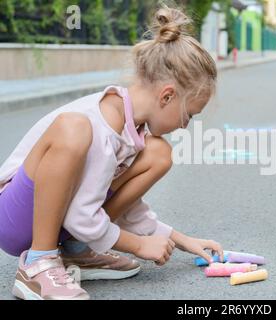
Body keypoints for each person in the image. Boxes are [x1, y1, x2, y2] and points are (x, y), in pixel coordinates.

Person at [0, 5, 223, 300]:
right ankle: (38, 263)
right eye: (189, 115)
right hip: (15, 217)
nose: (184, 126)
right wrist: (139, 245)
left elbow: (130, 211)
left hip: (60, 220)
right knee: (74, 128)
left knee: (159, 153)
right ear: (167, 96)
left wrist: (182, 240)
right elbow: (82, 216)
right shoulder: (101, 122)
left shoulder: (135, 130)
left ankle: (76, 252)